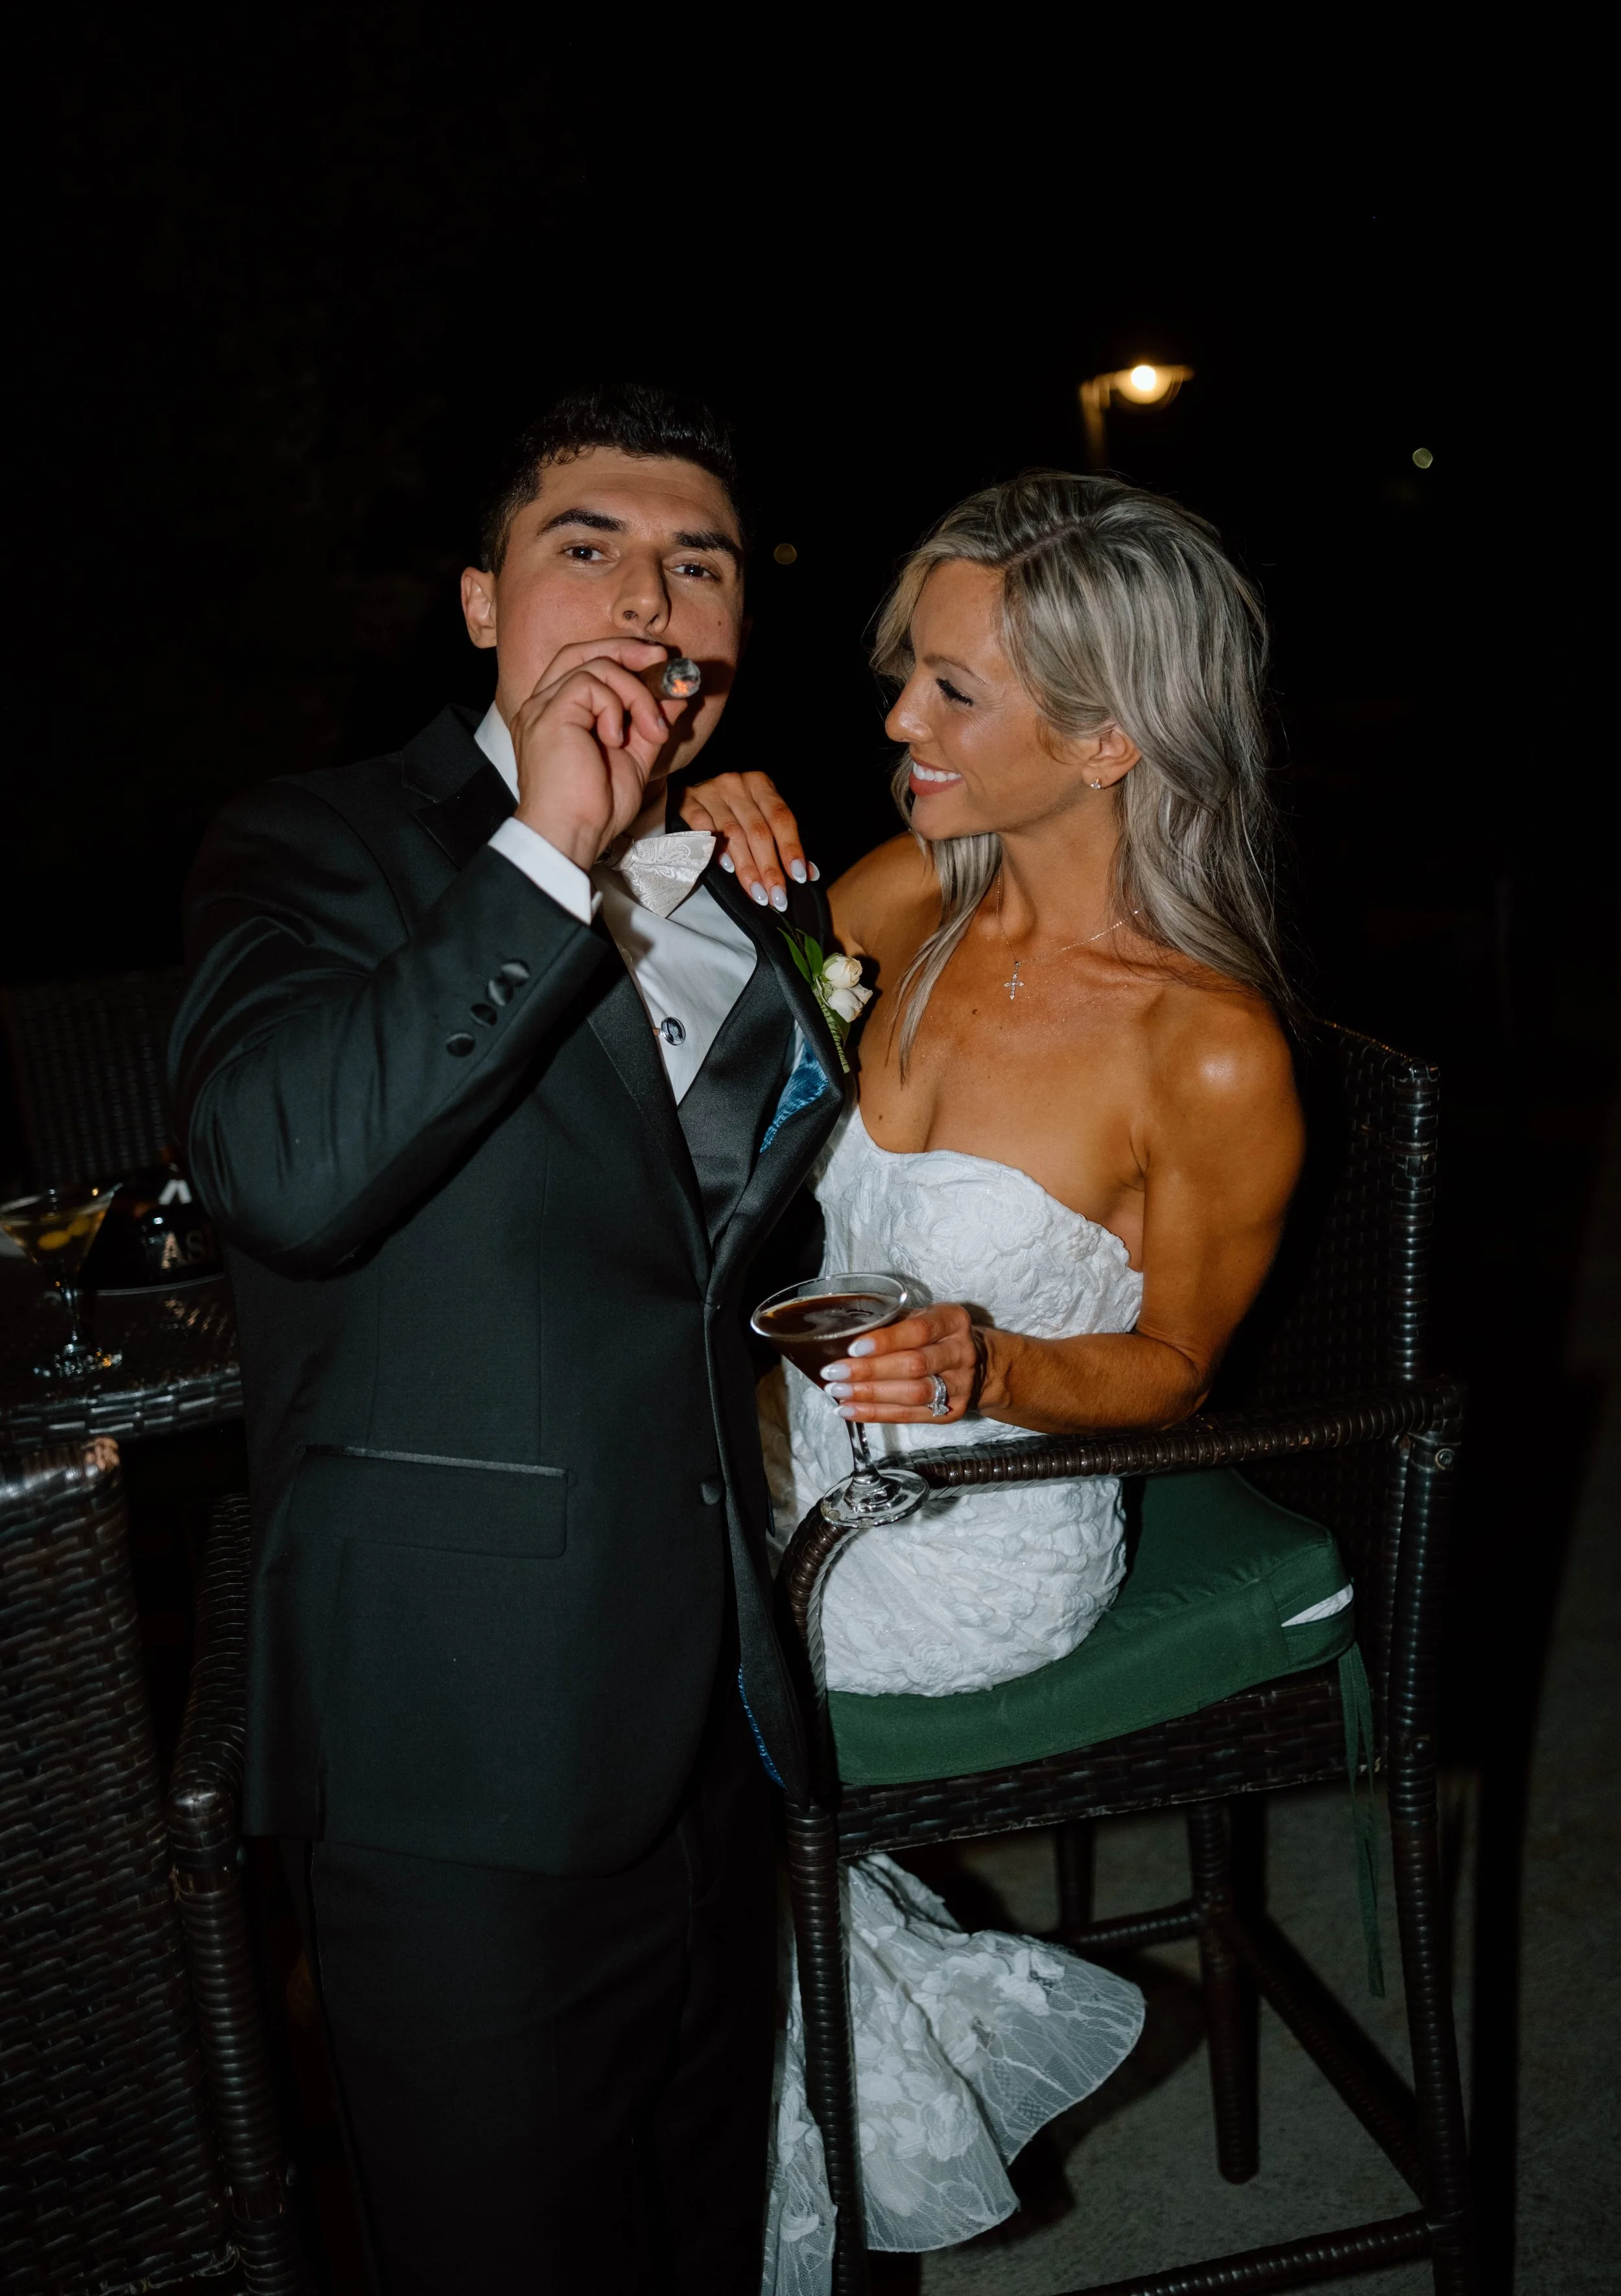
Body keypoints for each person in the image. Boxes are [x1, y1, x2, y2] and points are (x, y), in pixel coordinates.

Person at [168, 386, 848, 2295]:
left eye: (695, 565)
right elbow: (283, 1174)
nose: (649, 598)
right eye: (588, 547)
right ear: (478, 605)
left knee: (706, 2222)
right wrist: (548, 846)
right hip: (456, 1722)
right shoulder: (316, 842)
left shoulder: (752, 877)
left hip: (723, 1699)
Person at [683, 471, 1307, 2288]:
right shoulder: (900, 902)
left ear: (1109, 741)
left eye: (954, 690)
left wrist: (993, 1356)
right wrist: (702, 846)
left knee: (629, 1654)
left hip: (975, 1537)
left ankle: (744, 2162)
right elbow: (662, 1022)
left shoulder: (1201, 1050)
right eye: (906, 676)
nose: (894, 720)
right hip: (798, 1466)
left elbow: (1179, 1370)